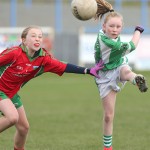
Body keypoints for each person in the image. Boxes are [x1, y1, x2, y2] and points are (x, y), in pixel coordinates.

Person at [0, 25, 104, 150]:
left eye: (40, 36)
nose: (37, 39)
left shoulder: (43, 59)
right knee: (12, 117)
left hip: (11, 94)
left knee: (23, 128)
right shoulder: (14, 53)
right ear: (23, 40)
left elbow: (63, 66)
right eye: (33, 36)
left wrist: (88, 70)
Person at [93, 0, 148, 150]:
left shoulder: (104, 33)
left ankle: (136, 79)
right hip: (104, 76)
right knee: (109, 116)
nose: (115, 29)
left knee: (126, 71)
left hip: (118, 65)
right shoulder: (109, 42)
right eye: (111, 26)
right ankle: (107, 147)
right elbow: (132, 46)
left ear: (122, 27)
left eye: (118, 27)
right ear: (104, 27)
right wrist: (138, 30)